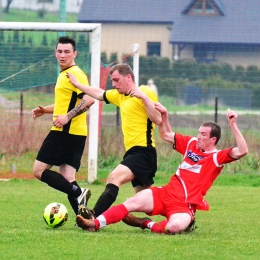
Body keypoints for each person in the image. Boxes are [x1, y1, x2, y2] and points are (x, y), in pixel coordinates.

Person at [75, 105, 248, 234]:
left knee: (173, 227)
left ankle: (146, 223)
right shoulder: (191, 144)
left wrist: (233, 124)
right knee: (131, 202)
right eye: (198, 132)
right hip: (165, 194)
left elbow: (242, 151)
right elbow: (165, 134)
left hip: (183, 206)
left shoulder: (217, 157)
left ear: (213, 140)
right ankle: (94, 224)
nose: (198, 136)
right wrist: (164, 115)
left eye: (203, 134)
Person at [67, 63, 162, 221]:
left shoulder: (145, 91)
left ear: (128, 77)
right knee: (147, 204)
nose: (114, 84)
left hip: (144, 152)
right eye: (113, 81)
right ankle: (179, 214)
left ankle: (93, 217)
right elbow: (99, 94)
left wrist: (144, 97)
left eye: (117, 80)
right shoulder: (120, 96)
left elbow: (157, 119)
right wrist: (78, 85)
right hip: (134, 152)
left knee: (114, 177)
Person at [32, 36, 95, 217]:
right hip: (75, 132)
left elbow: (89, 99)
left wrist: (67, 117)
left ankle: (78, 193)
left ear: (74, 54)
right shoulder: (64, 74)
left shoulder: (74, 74)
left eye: (67, 52)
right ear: (55, 53)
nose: (62, 55)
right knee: (67, 178)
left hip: (65, 132)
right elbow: (66, 104)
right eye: (59, 51)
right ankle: (86, 220)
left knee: (38, 170)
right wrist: (45, 111)